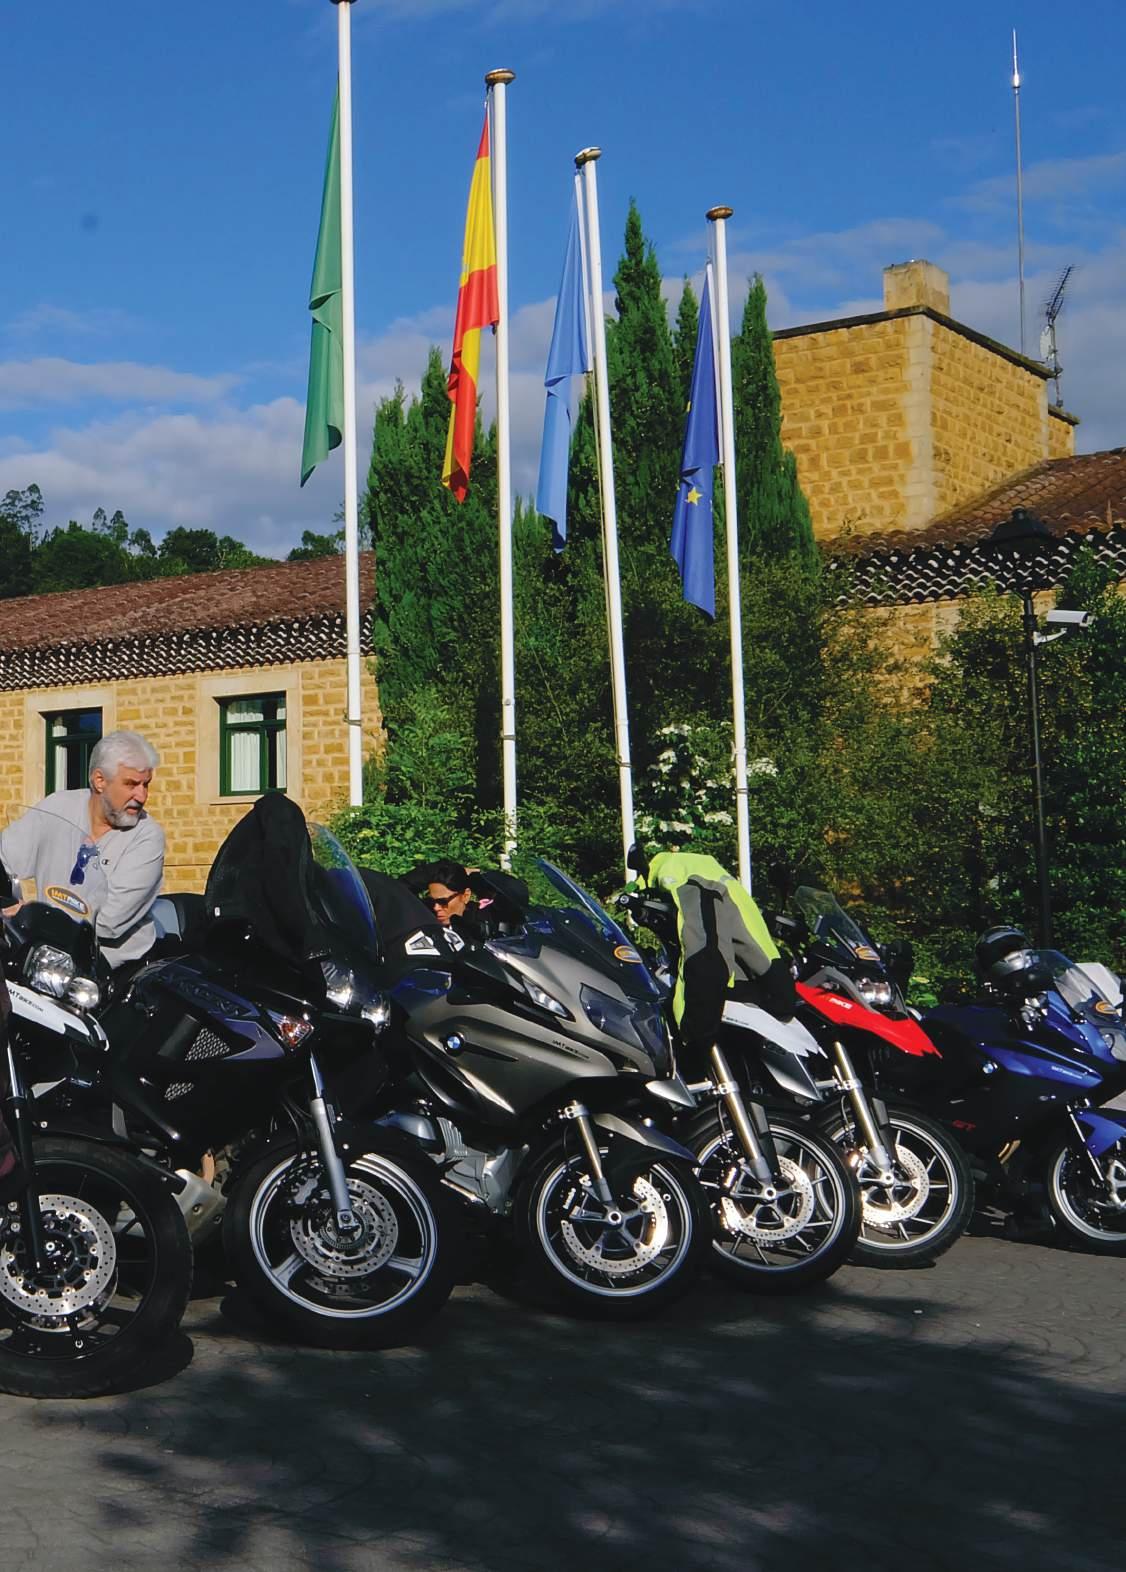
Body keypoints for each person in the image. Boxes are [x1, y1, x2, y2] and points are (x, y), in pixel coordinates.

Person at [0, 730, 164, 970]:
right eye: (131, 784)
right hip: (47, 954)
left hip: (111, 967)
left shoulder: (147, 836)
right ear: (99, 781)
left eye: (145, 784)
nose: (142, 796)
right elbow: (5, 857)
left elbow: (108, 923)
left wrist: (34, 915)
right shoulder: (57, 807)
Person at [637, 849, 798, 1052]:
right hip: (763, 980)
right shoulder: (712, 869)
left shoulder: (674, 869)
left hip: (718, 995)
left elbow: (704, 947)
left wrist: (693, 1028)